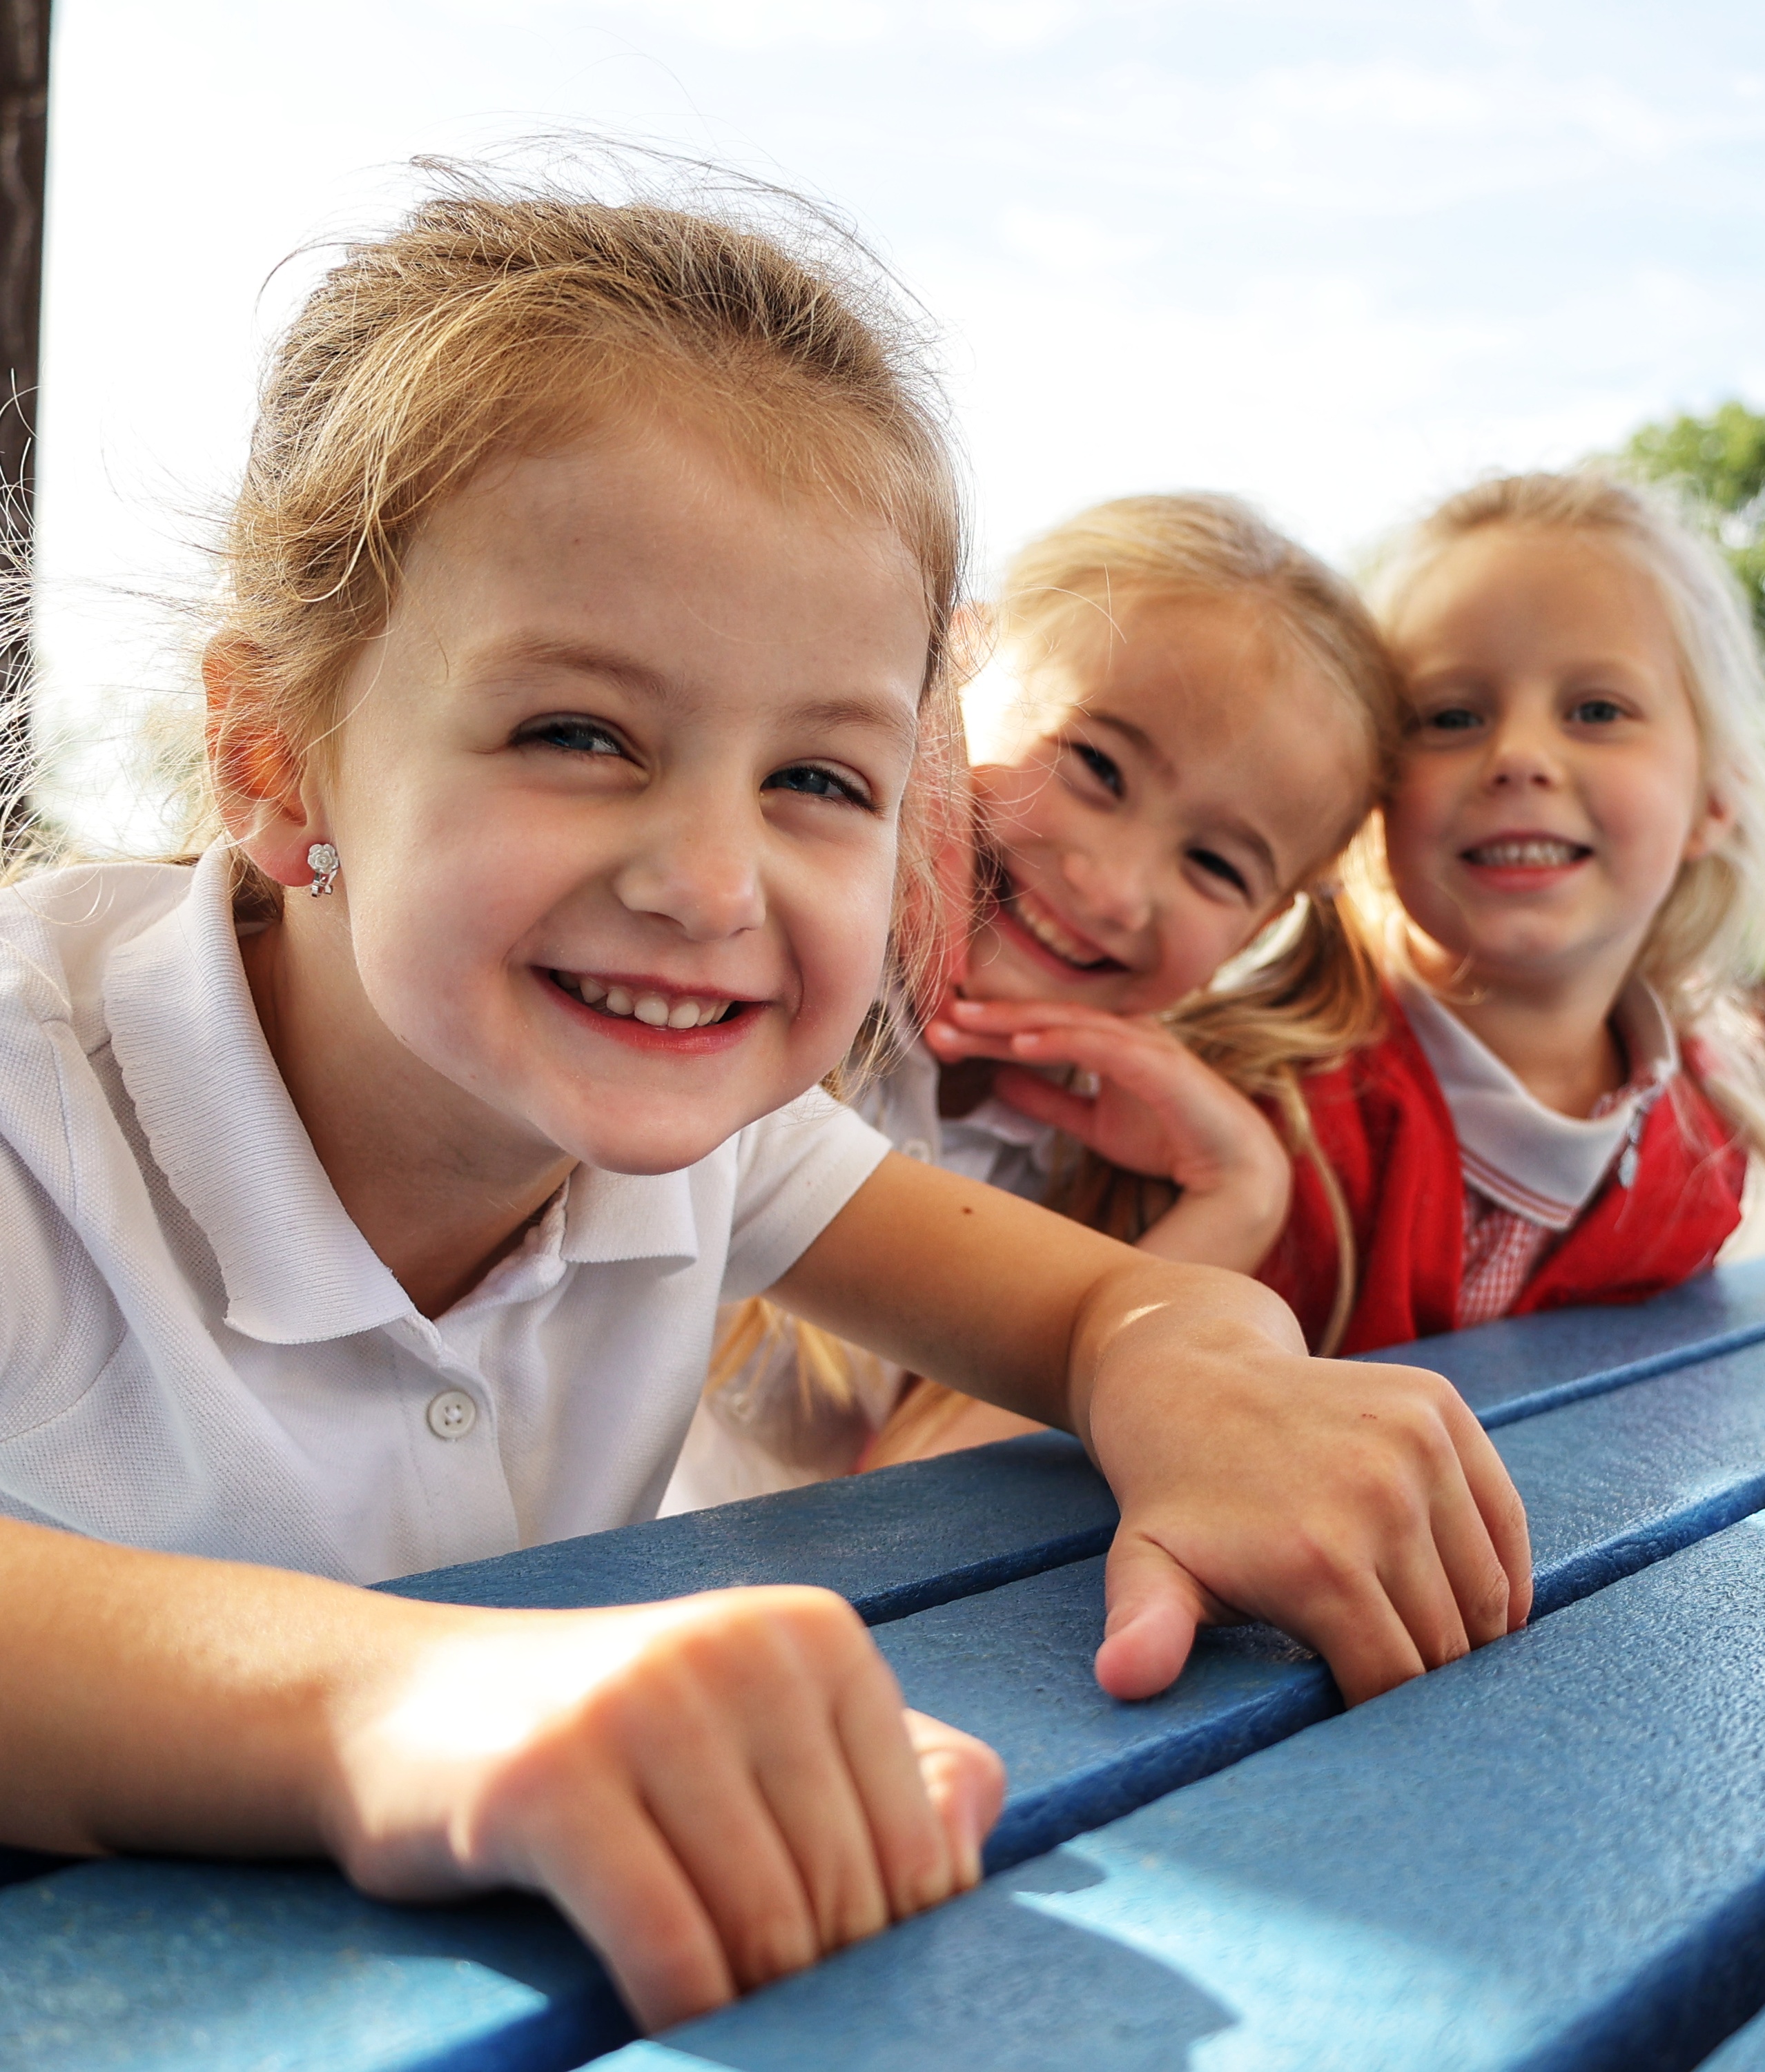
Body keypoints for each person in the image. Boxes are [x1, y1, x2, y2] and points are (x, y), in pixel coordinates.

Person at [0, 171, 1529, 2035]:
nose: (714, 884)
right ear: (274, 758)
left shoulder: (728, 1140)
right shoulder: (35, 1084)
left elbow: (1104, 1302)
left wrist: (1197, 1374)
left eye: (816, 774)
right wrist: (390, 1704)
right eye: (579, 734)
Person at [670, 491, 1401, 1498]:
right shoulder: (717, 980)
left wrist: (1236, 1201)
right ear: (952, 683)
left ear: (1269, 923)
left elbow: (916, 1507)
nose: (1113, 884)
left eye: (1217, 865)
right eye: (1097, 764)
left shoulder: (1118, 1158)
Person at [1254, 470, 1765, 1357]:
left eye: (1596, 710)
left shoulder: (1703, 1139)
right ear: (1371, 791)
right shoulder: (1268, 1099)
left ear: (1715, 796)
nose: (1518, 755)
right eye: (1449, 716)